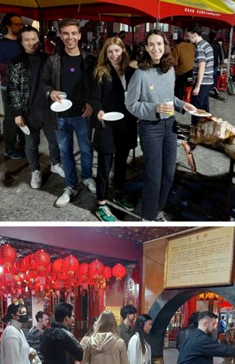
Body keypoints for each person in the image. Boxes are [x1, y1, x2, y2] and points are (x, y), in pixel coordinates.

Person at [125, 29, 196, 221]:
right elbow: (131, 104)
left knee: (168, 175)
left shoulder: (169, 69)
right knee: (153, 177)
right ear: (146, 49)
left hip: (170, 126)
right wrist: (154, 109)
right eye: (151, 45)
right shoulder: (140, 74)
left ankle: (158, 211)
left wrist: (182, 105)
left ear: (165, 46)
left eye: (159, 44)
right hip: (151, 129)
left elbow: (169, 98)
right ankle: (147, 217)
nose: (156, 48)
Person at [42, 18, 97, 208]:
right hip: (60, 116)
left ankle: (88, 177)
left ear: (79, 35)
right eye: (66, 33)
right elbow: (44, 84)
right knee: (65, 153)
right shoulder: (53, 60)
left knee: (86, 149)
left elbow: (96, 86)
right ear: (60, 35)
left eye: (74, 33)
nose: (70, 37)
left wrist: (91, 103)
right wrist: (51, 92)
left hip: (83, 115)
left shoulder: (89, 60)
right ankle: (70, 185)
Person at [7, 25, 65, 190]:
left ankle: (55, 163)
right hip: (29, 110)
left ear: (39, 40)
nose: (31, 43)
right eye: (27, 40)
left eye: (34, 39)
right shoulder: (16, 62)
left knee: (54, 140)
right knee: (32, 142)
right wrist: (18, 113)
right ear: (21, 42)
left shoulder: (49, 58)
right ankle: (35, 170)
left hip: (49, 108)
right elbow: (13, 90)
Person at [90, 36, 138, 222]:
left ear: (123, 51)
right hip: (108, 125)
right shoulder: (101, 72)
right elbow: (95, 98)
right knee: (104, 165)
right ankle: (101, 204)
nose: (113, 55)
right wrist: (98, 110)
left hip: (126, 125)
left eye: (117, 50)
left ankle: (118, 192)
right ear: (105, 53)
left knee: (121, 163)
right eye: (110, 51)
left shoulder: (131, 72)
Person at [0, 11, 25, 159]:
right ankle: (9, 148)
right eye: (16, 24)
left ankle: (23, 141)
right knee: (11, 118)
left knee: (24, 115)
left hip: (25, 86)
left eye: (21, 24)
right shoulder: (0, 46)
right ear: (7, 26)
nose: (20, 27)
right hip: (9, 87)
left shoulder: (22, 41)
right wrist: (15, 67)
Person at [185, 24, 214, 125]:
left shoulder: (200, 48)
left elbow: (202, 67)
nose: (187, 38)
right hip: (208, 81)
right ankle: (207, 130)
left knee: (195, 109)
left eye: (188, 35)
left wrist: (197, 86)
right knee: (205, 108)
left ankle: (195, 132)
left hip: (202, 82)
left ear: (194, 34)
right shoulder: (207, 45)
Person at [208, 31, 223, 96]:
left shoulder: (208, 44)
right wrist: (221, 62)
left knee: (208, 76)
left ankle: (208, 88)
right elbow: (221, 54)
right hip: (215, 63)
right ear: (215, 37)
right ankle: (214, 87)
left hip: (208, 63)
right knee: (214, 76)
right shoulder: (217, 44)